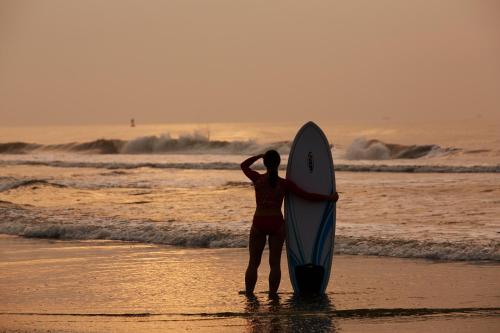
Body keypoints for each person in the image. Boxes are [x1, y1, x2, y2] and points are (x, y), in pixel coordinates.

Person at [241, 150, 339, 295]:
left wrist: (259, 156)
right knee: (274, 264)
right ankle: (272, 294)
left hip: (259, 221)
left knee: (253, 263)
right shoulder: (284, 184)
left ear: (265, 163)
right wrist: (328, 198)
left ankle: (249, 292)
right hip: (276, 223)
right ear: (279, 163)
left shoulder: (257, 179)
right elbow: (307, 196)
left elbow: (244, 166)